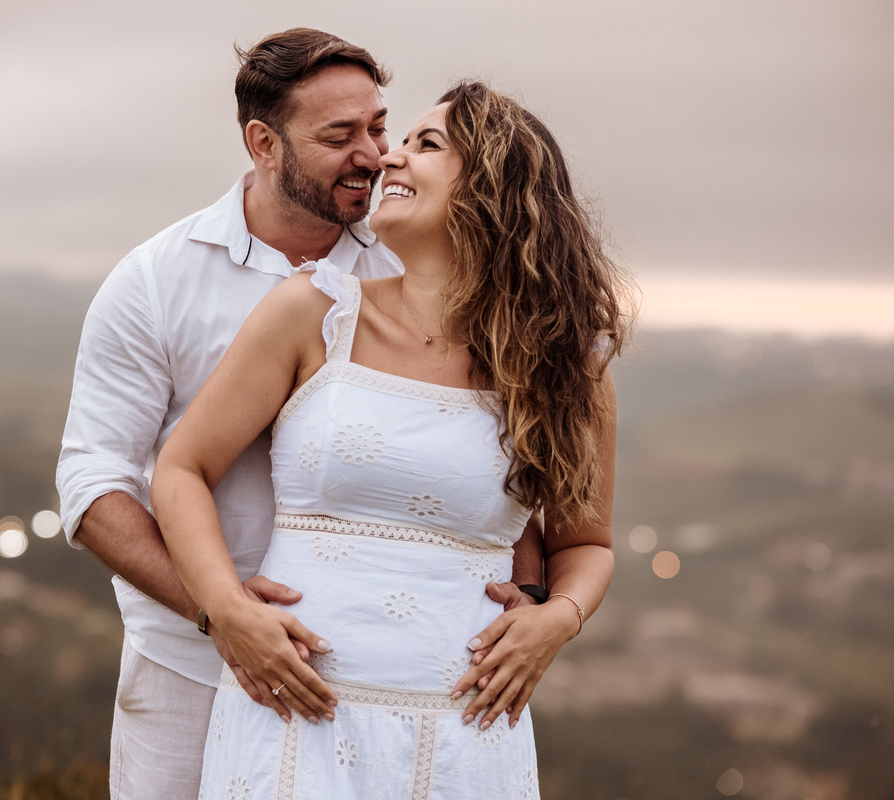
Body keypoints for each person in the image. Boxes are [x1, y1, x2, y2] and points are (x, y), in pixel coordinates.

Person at [57, 30, 547, 799]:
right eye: (338, 136)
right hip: (188, 662)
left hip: (390, 687)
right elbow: (92, 488)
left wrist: (538, 596)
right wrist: (221, 613)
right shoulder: (156, 280)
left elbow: (484, 454)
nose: (374, 154)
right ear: (263, 143)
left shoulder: (413, 257)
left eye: (379, 127)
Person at [151, 80, 633, 799]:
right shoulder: (312, 313)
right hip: (293, 716)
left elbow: (585, 545)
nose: (390, 160)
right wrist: (225, 608)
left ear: (494, 189)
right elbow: (182, 468)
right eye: (401, 142)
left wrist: (556, 621)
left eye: (426, 144)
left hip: (466, 730)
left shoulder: (564, 368)